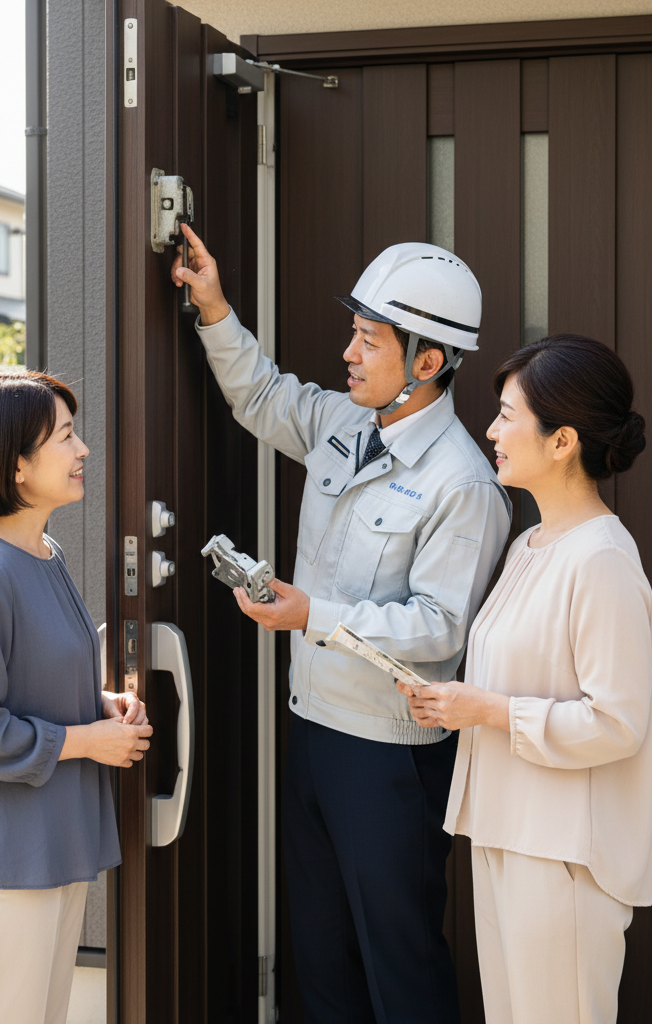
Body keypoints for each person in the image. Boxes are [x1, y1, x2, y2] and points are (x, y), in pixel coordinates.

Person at [173, 224, 511, 1023]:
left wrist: (309, 614)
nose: (349, 353)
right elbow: (260, 395)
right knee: (321, 960)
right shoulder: (345, 424)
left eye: (369, 340)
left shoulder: (464, 484)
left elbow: (439, 628)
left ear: (427, 363)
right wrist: (214, 306)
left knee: (400, 964)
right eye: (353, 334)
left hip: (390, 761)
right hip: (314, 734)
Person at [402, 335, 652, 1024]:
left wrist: (485, 709)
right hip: (508, 833)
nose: (490, 430)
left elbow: (618, 723)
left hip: (566, 856)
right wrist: (458, 704)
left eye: (508, 414)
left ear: (562, 440)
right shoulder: (530, 544)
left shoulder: (601, 559)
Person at [0, 370, 152, 1024]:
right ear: (17, 465)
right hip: (2, 865)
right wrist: (85, 742)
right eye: (66, 438)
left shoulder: (45, 555)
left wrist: (98, 706)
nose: (82, 452)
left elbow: (30, 685)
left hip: (49, 848)